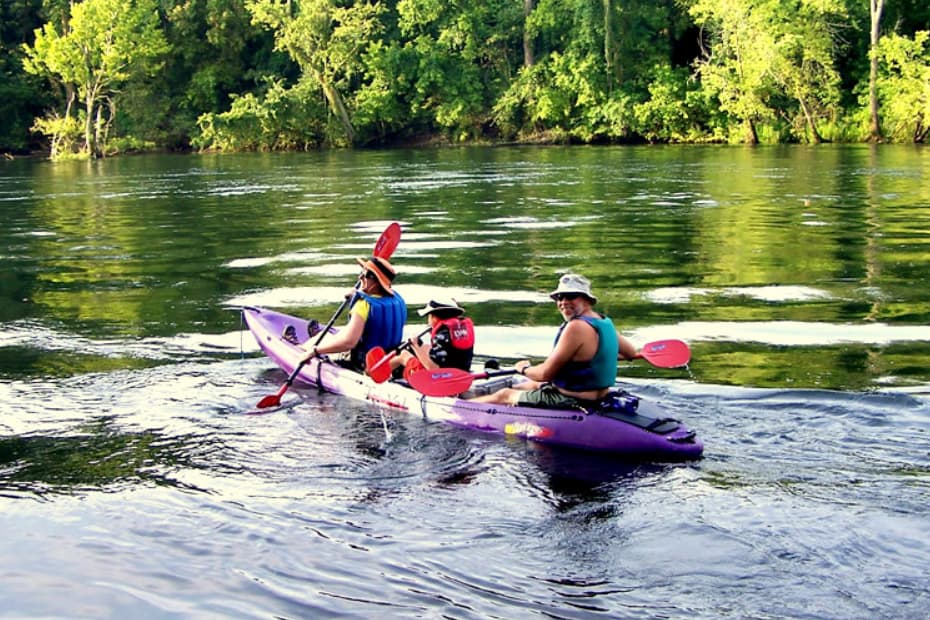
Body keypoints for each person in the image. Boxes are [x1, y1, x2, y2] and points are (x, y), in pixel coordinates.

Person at [470, 273, 638, 408]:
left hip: (571, 399)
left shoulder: (576, 327)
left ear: (587, 300)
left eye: (571, 296)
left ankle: (453, 410)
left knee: (504, 394)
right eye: (559, 297)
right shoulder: (603, 322)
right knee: (529, 386)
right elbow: (630, 353)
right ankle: (472, 396)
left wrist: (523, 368)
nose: (563, 302)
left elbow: (544, 375)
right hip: (594, 394)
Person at [301, 256, 406, 371]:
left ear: (376, 282)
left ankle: (301, 347)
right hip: (388, 359)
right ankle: (319, 337)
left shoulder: (363, 305)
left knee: (325, 342)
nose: (360, 277)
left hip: (365, 364)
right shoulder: (397, 299)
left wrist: (315, 351)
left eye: (365, 275)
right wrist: (357, 295)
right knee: (338, 335)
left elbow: (349, 343)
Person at [393, 299, 475, 374]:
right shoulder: (460, 331)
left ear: (434, 318)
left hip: (438, 377)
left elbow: (433, 368)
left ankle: (382, 374)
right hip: (461, 372)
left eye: (429, 316)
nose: (428, 321)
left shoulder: (441, 335)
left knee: (404, 355)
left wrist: (415, 346)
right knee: (426, 347)